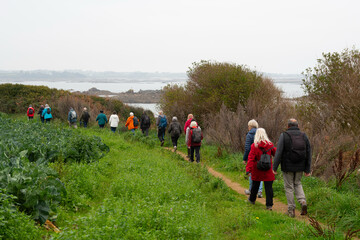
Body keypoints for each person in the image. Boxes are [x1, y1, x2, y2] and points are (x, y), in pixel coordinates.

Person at [273, 118, 311, 218]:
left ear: (288, 126)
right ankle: (302, 201)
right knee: (297, 183)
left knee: (289, 187)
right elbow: (308, 152)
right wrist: (307, 169)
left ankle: (291, 210)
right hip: (300, 166)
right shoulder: (304, 136)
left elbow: (279, 152)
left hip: (287, 166)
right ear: (298, 126)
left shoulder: (284, 135)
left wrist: (274, 167)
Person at [246, 128, 276, 210]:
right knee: (269, 187)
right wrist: (276, 167)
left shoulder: (254, 146)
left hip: (257, 169)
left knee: (255, 185)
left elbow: (251, 159)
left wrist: (248, 169)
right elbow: (276, 154)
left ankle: (252, 200)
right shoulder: (270, 145)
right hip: (268, 169)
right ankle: (269, 205)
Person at [243, 119, 263, 198]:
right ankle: (260, 191)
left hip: (252, 157)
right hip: (261, 157)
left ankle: (251, 190)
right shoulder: (260, 134)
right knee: (260, 174)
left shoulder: (249, 134)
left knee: (251, 173)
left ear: (250, 126)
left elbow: (247, 148)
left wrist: (245, 158)